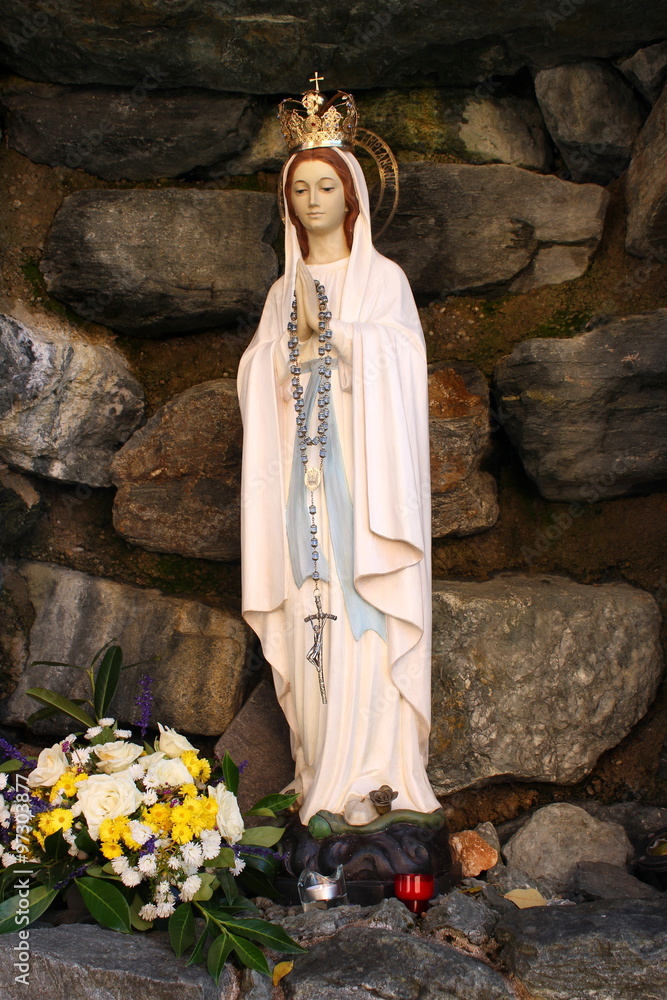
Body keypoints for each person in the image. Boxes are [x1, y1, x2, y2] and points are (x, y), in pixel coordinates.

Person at [237, 127, 441, 826]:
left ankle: (380, 776)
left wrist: (335, 335)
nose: (313, 199)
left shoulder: (383, 280)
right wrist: (284, 352)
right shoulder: (280, 291)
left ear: (352, 196)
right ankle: (322, 772)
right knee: (310, 612)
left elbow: (404, 365)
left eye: (326, 186)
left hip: (366, 494)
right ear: (287, 203)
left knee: (369, 619)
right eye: (299, 189)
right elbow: (257, 376)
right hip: (305, 486)